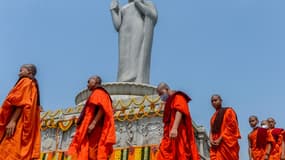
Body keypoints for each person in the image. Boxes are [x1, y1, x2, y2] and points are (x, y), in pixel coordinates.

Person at [68, 76, 116, 160]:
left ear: (95, 82)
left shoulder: (99, 92)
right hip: (92, 127)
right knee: (89, 151)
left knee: (92, 152)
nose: (87, 84)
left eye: (89, 81)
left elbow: (102, 108)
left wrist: (93, 123)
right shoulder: (96, 93)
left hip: (95, 128)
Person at [110, 0, 158, 83]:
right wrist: (113, 10)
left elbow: (153, 15)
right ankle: (123, 78)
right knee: (123, 59)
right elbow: (117, 25)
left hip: (137, 28)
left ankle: (135, 77)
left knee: (135, 53)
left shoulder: (144, 2)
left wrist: (138, 3)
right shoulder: (124, 8)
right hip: (124, 32)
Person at [0, 64, 41, 160]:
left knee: (8, 150)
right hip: (22, 123)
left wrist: (12, 121)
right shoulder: (33, 84)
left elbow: (22, 102)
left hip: (18, 122)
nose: (19, 73)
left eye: (21, 70)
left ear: (29, 72)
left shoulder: (26, 81)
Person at [156, 82, 200, 160]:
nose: (161, 97)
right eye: (159, 95)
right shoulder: (169, 101)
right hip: (169, 136)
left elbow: (180, 110)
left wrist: (174, 128)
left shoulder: (178, 96)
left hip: (179, 132)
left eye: (161, 93)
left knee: (181, 154)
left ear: (166, 89)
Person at [209, 94, 241, 160]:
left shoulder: (229, 111)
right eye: (212, 101)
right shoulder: (213, 117)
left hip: (226, 143)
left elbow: (231, 126)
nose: (214, 102)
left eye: (215, 100)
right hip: (216, 146)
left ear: (221, 101)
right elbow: (211, 130)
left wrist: (220, 139)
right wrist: (211, 139)